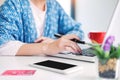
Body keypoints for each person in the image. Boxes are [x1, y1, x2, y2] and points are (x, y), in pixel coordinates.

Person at [0, 0, 84, 56]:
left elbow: (77, 29)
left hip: (49, 68)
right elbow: (3, 45)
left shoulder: (54, 5)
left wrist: (61, 41)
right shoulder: (13, 5)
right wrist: (47, 47)